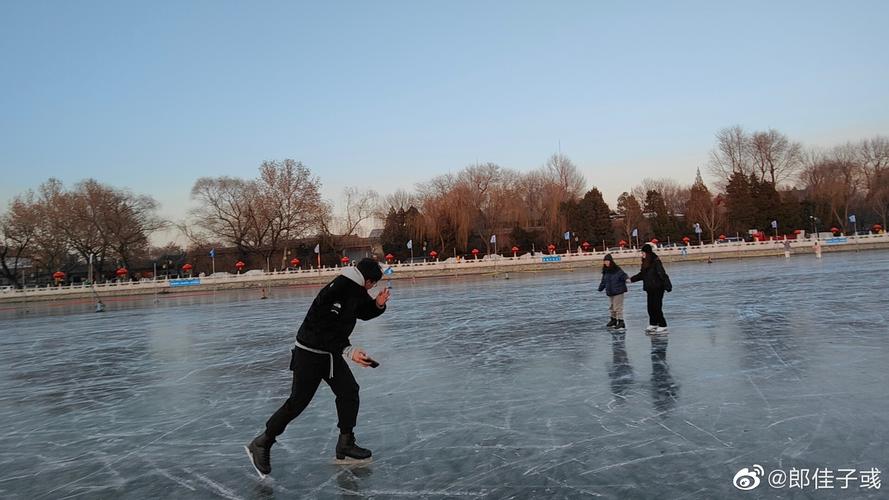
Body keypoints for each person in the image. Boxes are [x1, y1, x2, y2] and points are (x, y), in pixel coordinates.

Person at [245, 258, 390, 477]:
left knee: (349, 391)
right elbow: (323, 329)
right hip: (309, 353)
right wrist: (349, 351)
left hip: (329, 352)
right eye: (373, 285)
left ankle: (345, 444)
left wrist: (378, 304)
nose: (371, 289)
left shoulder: (355, 287)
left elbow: (360, 311)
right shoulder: (339, 289)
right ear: (367, 280)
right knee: (297, 403)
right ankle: (262, 442)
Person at [629, 244, 672, 334]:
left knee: (657, 307)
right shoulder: (645, 263)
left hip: (658, 287)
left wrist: (667, 285)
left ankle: (663, 325)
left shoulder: (655, 261)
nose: (642, 254)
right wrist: (631, 279)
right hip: (649, 288)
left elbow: (662, 273)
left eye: (643, 253)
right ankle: (653, 323)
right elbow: (642, 274)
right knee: (650, 307)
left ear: (647, 253)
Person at [597, 254, 629, 329]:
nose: (606, 263)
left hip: (618, 291)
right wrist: (600, 288)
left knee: (617, 307)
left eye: (608, 261)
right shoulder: (605, 271)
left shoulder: (617, 269)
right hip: (610, 291)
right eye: (605, 261)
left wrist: (627, 279)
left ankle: (621, 321)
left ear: (611, 261)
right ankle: (613, 320)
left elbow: (624, 275)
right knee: (612, 307)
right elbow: (604, 281)